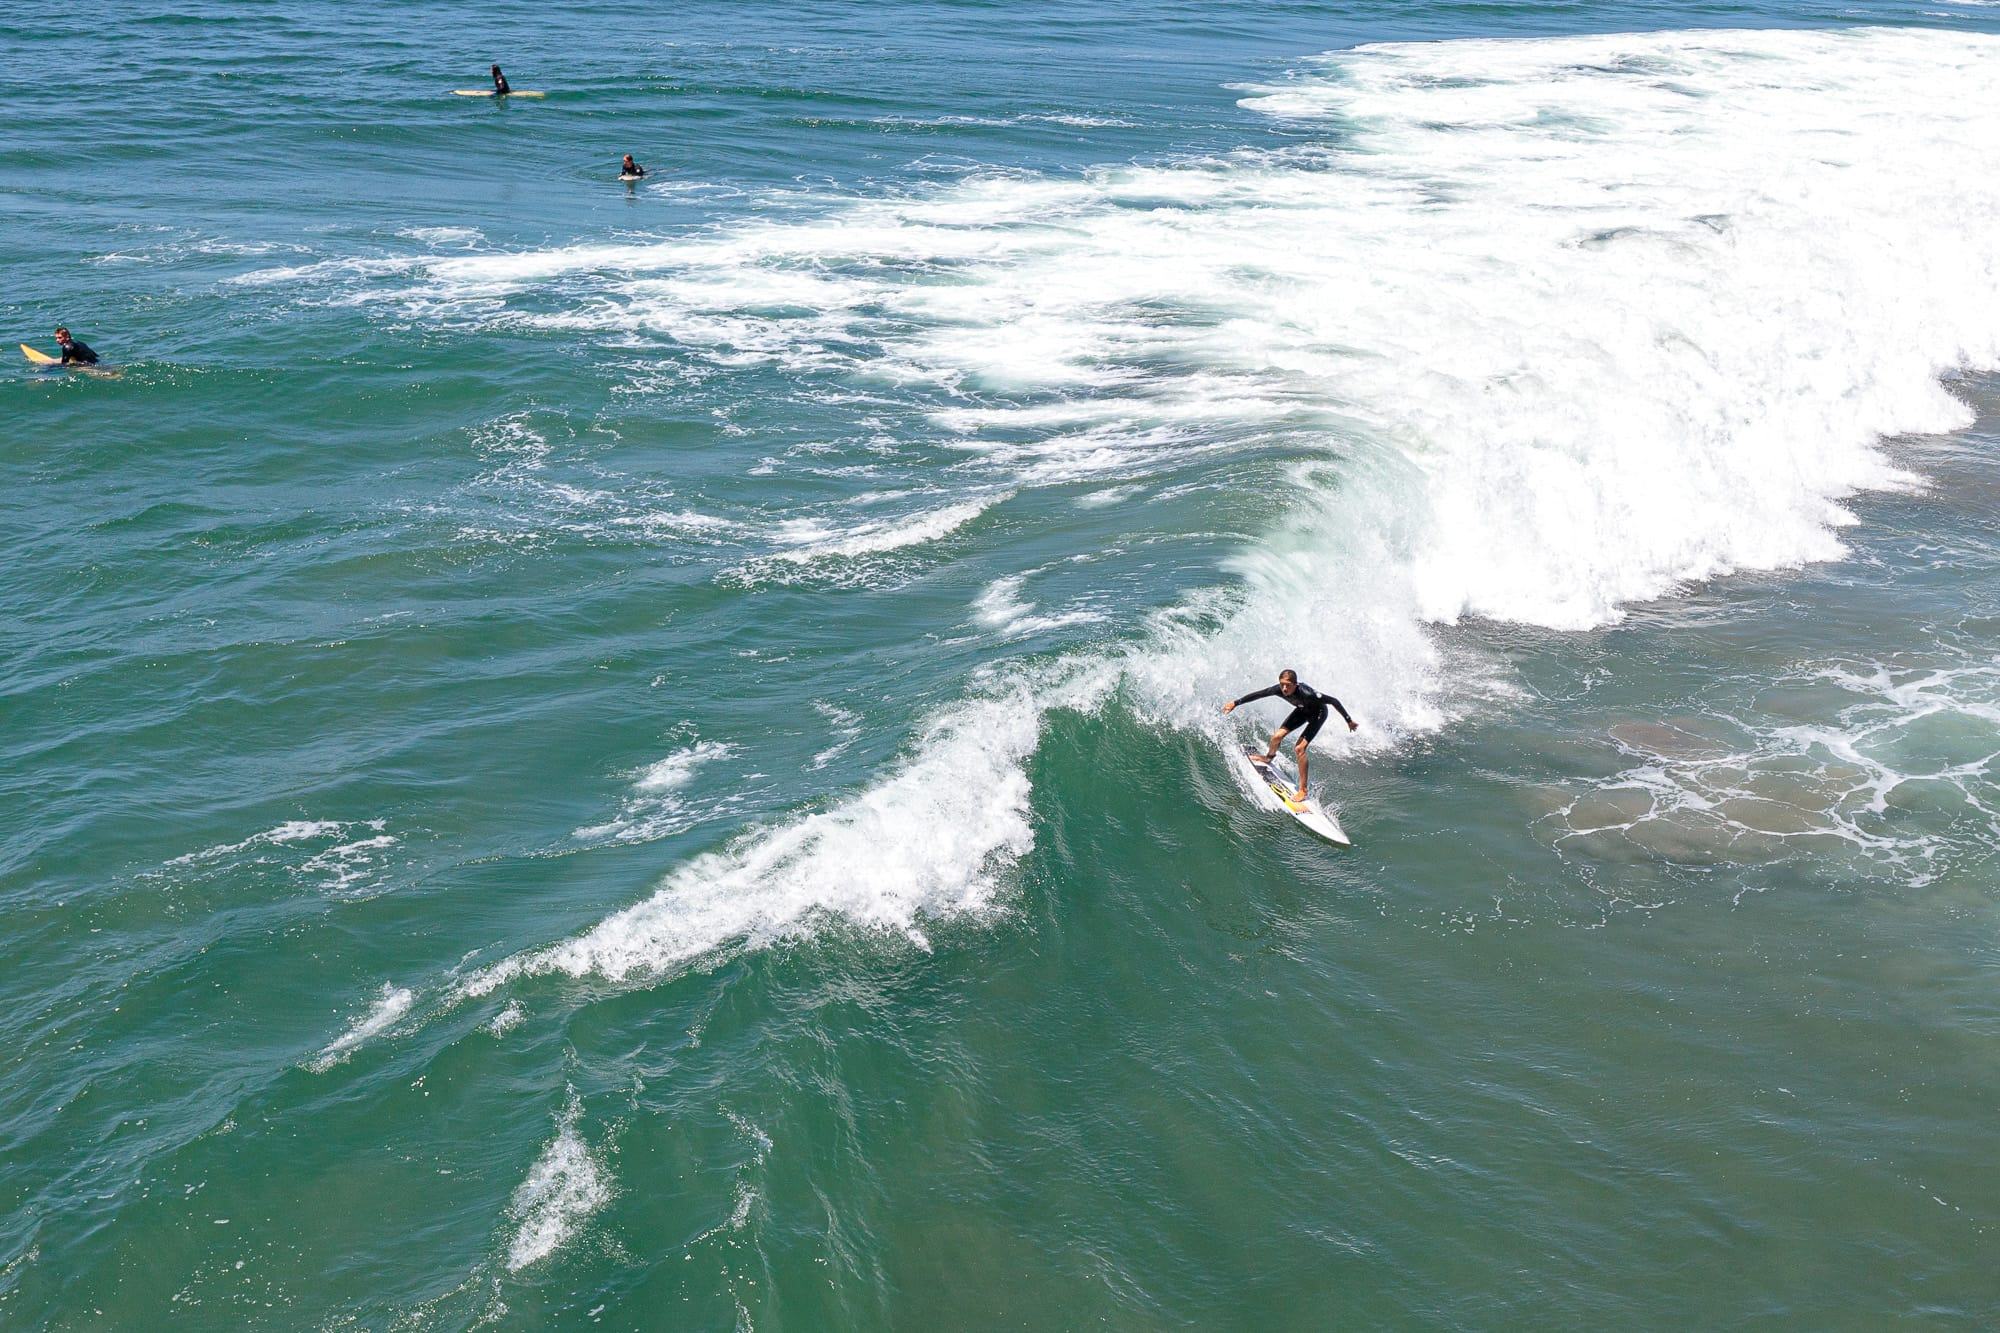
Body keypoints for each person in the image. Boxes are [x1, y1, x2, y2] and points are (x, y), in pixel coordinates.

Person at [1222, 668, 1356, 802]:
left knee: (1299, 749)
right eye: (1282, 684)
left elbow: (1334, 701)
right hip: (1302, 711)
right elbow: (1260, 694)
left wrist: (1348, 721)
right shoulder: (1278, 689)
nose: (1284, 688)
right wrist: (1235, 703)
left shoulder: (1308, 693)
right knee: (1276, 737)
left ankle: (1303, 791)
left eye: (1288, 685)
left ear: (1295, 684)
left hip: (1318, 714)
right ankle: (1268, 758)